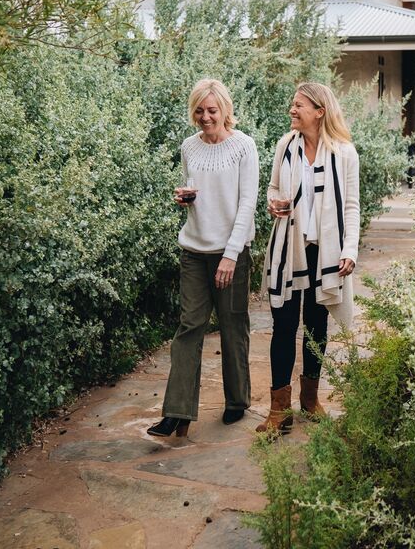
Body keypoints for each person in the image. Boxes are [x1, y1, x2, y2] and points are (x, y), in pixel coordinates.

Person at [148, 79, 259, 438]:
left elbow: (246, 204)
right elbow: (195, 190)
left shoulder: (244, 147)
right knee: (189, 327)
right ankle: (176, 412)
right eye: (199, 110)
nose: (205, 117)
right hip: (194, 251)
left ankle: (237, 400)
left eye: (212, 110)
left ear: (225, 110)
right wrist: (185, 199)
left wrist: (230, 255)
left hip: (232, 253)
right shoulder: (189, 147)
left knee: (232, 326)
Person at [257, 82, 360, 435]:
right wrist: (274, 204)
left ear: (319, 111)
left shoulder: (345, 152)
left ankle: (310, 400)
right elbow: (273, 188)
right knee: (284, 326)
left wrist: (350, 250)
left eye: (298, 105)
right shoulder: (285, 146)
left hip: (325, 251)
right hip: (290, 248)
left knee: (317, 327)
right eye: (292, 104)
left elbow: (352, 206)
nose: (292, 110)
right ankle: (278, 410)